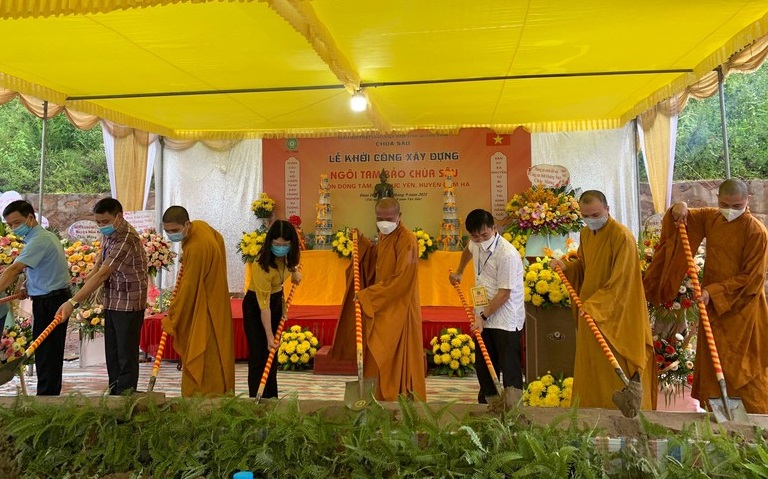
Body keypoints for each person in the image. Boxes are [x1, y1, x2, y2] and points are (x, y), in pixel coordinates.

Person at [644, 179, 768, 413]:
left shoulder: (756, 232)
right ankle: (716, 415)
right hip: (713, 306)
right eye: (725, 204)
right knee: (715, 360)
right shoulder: (712, 217)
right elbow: (685, 218)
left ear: (747, 201)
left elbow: (752, 278)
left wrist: (715, 290)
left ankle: (757, 418)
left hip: (743, 309)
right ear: (717, 201)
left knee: (745, 368)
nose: (730, 210)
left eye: (737, 205)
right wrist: (678, 206)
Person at [549, 190, 654, 410]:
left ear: (607, 209)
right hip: (591, 314)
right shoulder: (587, 234)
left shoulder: (622, 237)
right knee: (593, 370)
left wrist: (595, 306)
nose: (591, 220)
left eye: (596, 214)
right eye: (586, 216)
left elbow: (622, 283)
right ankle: (590, 417)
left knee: (614, 371)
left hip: (617, 316)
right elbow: (586, 268)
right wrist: (566, 266)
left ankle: (624, 416)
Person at [330, 197, 426, 401]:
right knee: (375, 354)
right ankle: (375, 399)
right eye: (379, 218)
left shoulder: (407, 240)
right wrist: (363, 243)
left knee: (387, 355)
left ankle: (393, 400)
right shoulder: (384, 235)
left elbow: (402, 278)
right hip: (382, 305)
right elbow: (377, 260)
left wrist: (369, 296)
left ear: (399, 217)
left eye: (389, 218)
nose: (384, 223)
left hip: (398, 307)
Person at [58, 198, 148, 395]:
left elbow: (104, 274)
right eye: (98, 222)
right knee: (113, 352)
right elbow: (102, 255)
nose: (101, 226)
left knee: (126, 354)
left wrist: (73, 301)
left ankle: (126, 399)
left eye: (105, 222)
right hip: (113, 299)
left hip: (129, 302)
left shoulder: (126, 238)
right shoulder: (111, 233)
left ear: (119, 217)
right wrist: (90, 273)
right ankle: (115, 392)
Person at [449, 209, 525, 403]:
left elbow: (504, 294)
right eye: (475, 236)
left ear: (494, 228)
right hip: (482, 312)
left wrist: (482, 318)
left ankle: (512, 410)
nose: (481, 240)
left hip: (504, 318)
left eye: (484, 234)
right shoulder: (475, 243)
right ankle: (487, 406)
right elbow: (468, 250)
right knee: (484, 364)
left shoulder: (507, 254)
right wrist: (459, 271)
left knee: (509, 367)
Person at [161, 206, 235, 397]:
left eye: (175, 231)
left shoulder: (196, 249)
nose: (171, 235)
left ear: (187, 224)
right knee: (219, 356)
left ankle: (205, 404)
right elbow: (218, 239)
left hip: (206, 307)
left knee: (205, 358)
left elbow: (188, 290)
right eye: (167, 231)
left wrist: (173, 317)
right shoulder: (200, 227)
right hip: (217, 299)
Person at [0, 200, 71, 395]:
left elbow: (14, 269)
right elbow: (40, 269)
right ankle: (47, 396)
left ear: (30, 218)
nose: (14, 228)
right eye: (10, 225)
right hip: (48, 298)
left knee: (47, 354)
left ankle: (47, 399)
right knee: (46, 354)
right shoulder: (39, 237)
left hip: (51, 301)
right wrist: (27, 284)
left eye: (17, 223)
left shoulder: (39, 239)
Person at [242, 220, 302, 398]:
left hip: (275, 302)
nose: (280, 248)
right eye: (276, 244)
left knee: (272, 356)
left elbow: (290, 266)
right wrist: (269, 336)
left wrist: (295, 272)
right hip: (257, 307)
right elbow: (263, 305)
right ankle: (257, 399)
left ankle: (271, 398)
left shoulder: (288, 257)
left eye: (285, 244)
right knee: (259, 354)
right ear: (270, 243)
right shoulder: (261, 265)